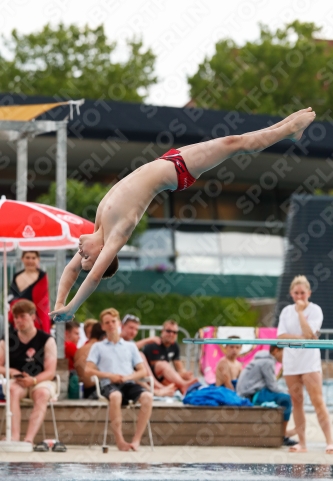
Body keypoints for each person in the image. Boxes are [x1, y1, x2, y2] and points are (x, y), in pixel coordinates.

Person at [49, 109, 316, 322]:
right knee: (234, 144)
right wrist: (73, 308)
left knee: (234, 142)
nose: (80, 254)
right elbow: (92, 277)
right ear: (102, 255)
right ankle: (288, 131)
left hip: (169, 160)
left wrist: (60, 303)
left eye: (82, 257)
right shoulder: (118, 232)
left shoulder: (99, 228)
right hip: (180, 171)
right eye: (87, 258)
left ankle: (288, 129)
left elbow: (72, 271)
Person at [277, 275, 333, 454]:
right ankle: (302, 443)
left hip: (309, 362)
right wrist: (299, 338)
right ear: (291, 293)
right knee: (296, 401)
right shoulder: (286, 311)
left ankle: (330, 441)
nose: (299, 296)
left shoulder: (315, 310)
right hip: (291, 362)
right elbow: (281, 337)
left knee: (318, 401)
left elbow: (310, 335)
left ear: (308, 292)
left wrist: (301, 312)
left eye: (302, 292)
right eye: (296, 293)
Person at [85, 307, 153, 451]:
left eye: (113, 321)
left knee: (147, 396)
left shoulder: (131, 346)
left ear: (118, 323)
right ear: (103, 326)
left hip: (128, 382)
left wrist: (128, 377)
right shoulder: (98, 347)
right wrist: (109, 375)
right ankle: (120, 440)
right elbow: (88, 369)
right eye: (107, 322)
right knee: (115, 396)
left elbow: (142, 371)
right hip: (108, 385)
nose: (110, 324)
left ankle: (136, 440)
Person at [0, 299, 57, 445]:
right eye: (16, 317)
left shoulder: (47, 340)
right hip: (18, 380)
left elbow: (50, 372)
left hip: (42, 380)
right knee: (12, 389)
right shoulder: (7, 340)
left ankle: (29, 439)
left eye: (22, 316)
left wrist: (34, 380)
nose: (18, 320)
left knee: (42, 394)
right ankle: (14, 437)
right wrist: (11, 371)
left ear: (32, 316)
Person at [236, 346, 296, 446]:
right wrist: (287, 392)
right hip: (251, 395)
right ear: (276, 351)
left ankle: (280, 432)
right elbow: (272, 386)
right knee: (286, 399)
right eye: (285, 353)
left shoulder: (261, 360)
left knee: (283, 396)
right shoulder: (268, 362)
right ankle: (282, 436)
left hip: (247, 393)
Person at [120, 314, 175, 397]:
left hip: (131, 373)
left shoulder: (130, 342)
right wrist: (148, 340)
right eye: (131, 328)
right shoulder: (116, 340)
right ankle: (157, 388)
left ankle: (158, 388)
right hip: (119, 373)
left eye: (136, 329)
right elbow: (126, 349)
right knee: (141, 357)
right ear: (122, 327)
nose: (133, 332)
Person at [142, 320, 197, 394]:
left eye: (174, 332)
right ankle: (182, 386)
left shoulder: (174, 346)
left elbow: (179, 367)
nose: (171, 334)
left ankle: (192, 390)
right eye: (168, 331)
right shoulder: (153, 345)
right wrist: (178, 376)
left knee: (188, 377)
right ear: (162, 332)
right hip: (150, 378)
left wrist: (185, 374)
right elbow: (157, 370)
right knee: (163, 365)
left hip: (163, 376)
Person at [9, 251, 51, 333]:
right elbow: (10, 297)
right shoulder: (16, 276)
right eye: (27, 257)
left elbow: (42, 302)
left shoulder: (42, 277)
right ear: (22, 259)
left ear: (38, 259)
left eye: (33, 258)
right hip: (17, 320)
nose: (30, 261)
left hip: (34, 321)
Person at [74, 322, 106, 398]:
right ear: (104, 337)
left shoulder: (80, 350)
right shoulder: (99, 348)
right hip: (96, 390)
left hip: (84, 390)